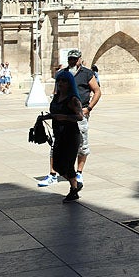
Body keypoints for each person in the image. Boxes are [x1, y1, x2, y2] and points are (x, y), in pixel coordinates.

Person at [38, 69, 85, 203]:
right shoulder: (57, 98)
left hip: (71, 135)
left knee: (68, 164)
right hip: (59, 134)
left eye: (64, 81)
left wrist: (63, 117)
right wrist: (45, 117)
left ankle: (73, 189)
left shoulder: (73, 99)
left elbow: (80, 116)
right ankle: (75, 182)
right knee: (58, 165)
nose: (60, 83)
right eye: (59, 80)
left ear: (69, 83)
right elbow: (54, 113)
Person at [61, 50, 101, 185]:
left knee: (82, 143)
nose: (72, 61)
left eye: (74, 59)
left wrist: (89, 108)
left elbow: (97, 91)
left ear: (79, 59)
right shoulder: (64, 73)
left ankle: (79, 172)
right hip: (65, 114)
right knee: (62, 143)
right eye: (70, 59)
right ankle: (64, 171)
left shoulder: (87, 73)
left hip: (80, 113)